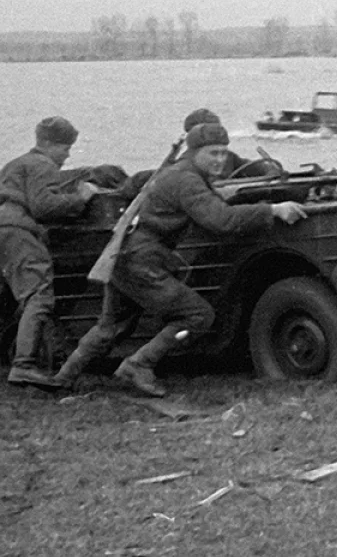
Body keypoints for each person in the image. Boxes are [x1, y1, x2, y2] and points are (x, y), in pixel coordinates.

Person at [52, 123, 309, 397]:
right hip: (143, 261)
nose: (221, 160)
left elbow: (206, 202)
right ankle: (139, 364)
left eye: (224, 153)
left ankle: (62, 378)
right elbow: (219, 220)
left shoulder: (180, 173)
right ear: (195, 151)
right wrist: (272, 209)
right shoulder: (187, 180)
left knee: (111, 326)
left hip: (124, 255)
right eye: (213, 153)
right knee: (197, 315)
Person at [1, 117, 100, 388]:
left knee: (16, 296)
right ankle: (23, 366)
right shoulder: (43, 165)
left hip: (4, 229)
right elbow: (43, 206)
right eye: (64, 148)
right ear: (47, 144)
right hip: (20, 231)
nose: (67, 156)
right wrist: (81, 198)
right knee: (39, 296)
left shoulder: (16, 164)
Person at [182, 108, 282, 180]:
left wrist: (270, 172)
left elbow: (256, 167)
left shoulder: (228, 158)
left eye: (217, 131)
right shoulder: (182, 167)